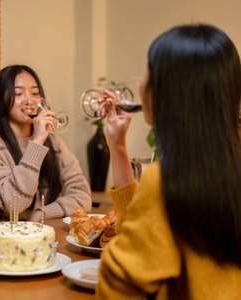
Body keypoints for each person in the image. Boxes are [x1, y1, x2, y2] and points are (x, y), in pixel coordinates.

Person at [96, 24, 241, 299]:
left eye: (148, 70)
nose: (141, 82)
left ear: (169, 93)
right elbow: (148, 236)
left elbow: (120, 283)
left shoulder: (170, 179)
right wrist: (118, 145)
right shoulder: (226, 167)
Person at [0, 65, 91, 232]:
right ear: (0, 100)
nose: (30, 101)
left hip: (38, 237)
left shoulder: (54, 143)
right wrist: (37, 141)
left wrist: (41, 214)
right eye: (18, 94)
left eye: (35, 93)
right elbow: (13, 204)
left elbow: (82, 195)